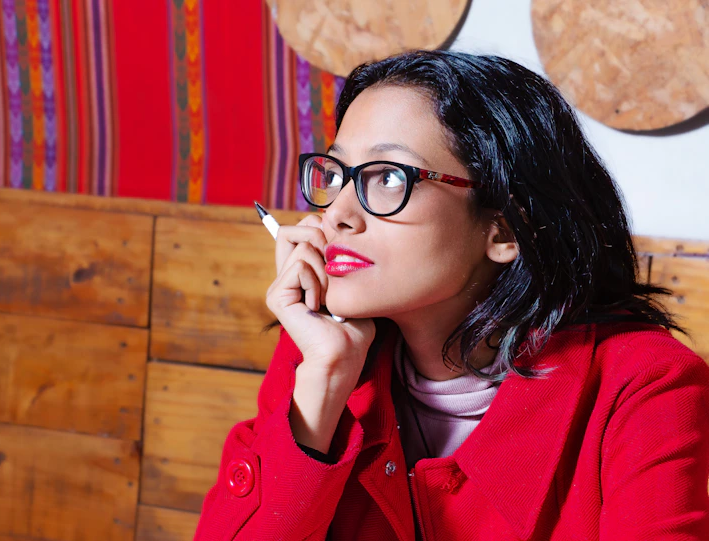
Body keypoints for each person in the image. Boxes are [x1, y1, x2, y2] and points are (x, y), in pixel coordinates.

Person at [193, 50, 709, 540]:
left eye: (389, 177)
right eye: (337, 175)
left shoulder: (644, 386)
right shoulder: (322, 355)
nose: (337, 215)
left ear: (504, 230)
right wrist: (324, 380)